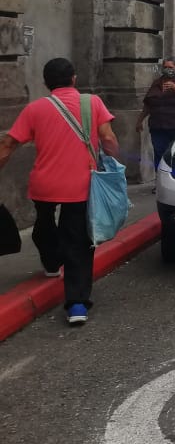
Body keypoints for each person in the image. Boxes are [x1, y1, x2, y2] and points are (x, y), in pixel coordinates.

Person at [0, 58, 119, 325]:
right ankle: (77, 304)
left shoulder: (34, 109)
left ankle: (52, 262)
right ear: (74, 79)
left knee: (43, 226)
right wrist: (112, 158)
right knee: (77, 240)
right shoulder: (92, 103)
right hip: (79, 186)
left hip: (44, 184)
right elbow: (108, 138)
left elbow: (8, 144)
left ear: (45, 83)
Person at [135, 56, 175, 172]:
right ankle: (160, 180)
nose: (167, 69)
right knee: (159, 153)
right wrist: (139, 121)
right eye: (165, 67)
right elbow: (148, 104)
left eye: (171, 67)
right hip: (158, 126)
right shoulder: (157, 83)